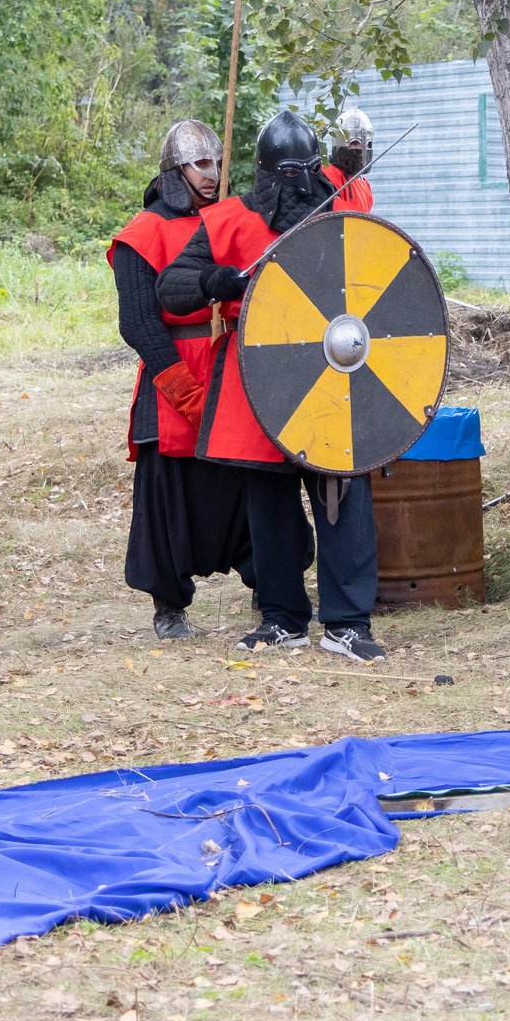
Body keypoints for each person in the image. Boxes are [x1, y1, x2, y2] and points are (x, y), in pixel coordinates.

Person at [156, 109, 386, 662]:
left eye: (304, 172)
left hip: (334, 372)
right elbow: (171, 287)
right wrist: (214, 280)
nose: (296, 184)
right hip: (260, 373)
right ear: (265, 173)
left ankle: (347, 623)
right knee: (269, 503)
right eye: (286, 174)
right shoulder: (228, 222)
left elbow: (383, 279)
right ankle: (282, 617)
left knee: (342, 497)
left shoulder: (342, 213)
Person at [111, 120, 254, 641]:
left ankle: (270, 588)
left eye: (216, 162)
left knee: (249, 479)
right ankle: (169, 606)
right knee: (167, 493)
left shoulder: (227, 222)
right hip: (172, 368)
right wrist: (181, 390)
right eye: (200, 163)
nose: (211, 173)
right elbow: (138, 322)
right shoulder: (142, 232)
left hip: (229, 361)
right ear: (176, 170)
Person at [324, 107, 376, 210]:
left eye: (366, 144)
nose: (361, 149)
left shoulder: (364, 183)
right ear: (340, 144)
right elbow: (337, 215)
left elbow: (365, 217)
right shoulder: (327, 177)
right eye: (354, 143)